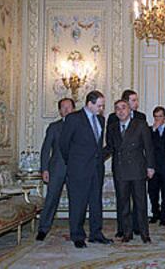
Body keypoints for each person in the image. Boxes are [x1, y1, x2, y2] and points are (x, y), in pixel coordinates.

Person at [60, 90, 112, 248]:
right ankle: (77, 235)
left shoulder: (101, 120)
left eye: (103, 106)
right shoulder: (73, 119)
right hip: (78, 169)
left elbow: (98, 146)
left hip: (96, 169)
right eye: (99, 105)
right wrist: (75, 163)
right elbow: (64, 144)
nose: (101, 109)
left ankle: (96, 233)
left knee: (96, 203)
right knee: (78, 204)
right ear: (89, 104)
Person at [105, 100, 155, 243]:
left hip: (138, 170)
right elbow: (109, 148)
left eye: (123, 108)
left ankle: (145, 233)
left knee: (141, 203)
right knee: (123, 203)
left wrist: (150, 167)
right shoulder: (112, 127)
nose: (120, 111)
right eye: (117, 109)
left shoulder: (140, 124)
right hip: (120, 170)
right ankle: (127, 233)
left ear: (129, 110)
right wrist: (95, 157)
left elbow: (149, 147)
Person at [36, 98, 75, 241]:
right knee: (51, 199)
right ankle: (43, 229)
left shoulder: (80, 126)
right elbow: (45, 149)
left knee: (76, 201)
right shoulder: (53, 127)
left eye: (69, 107)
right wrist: (44, 169)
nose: (66, 110)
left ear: (74, 109)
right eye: (63, 107)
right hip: (56, 168)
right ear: (59, 111)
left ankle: (76, 229)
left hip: (75, 169)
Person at [148, 106, 165, 226]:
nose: (158, 119)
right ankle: (155, 214)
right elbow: (147, 146)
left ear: (164, 117)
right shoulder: (149, 130)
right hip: (153, 167)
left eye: (160, 116)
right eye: (156, 117)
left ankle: (164, 216)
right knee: (153, 193)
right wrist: (153, 130)